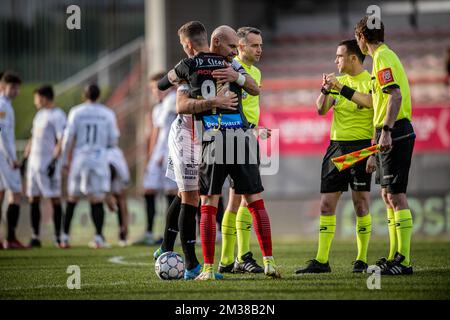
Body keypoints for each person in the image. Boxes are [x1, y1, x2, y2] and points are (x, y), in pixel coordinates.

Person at [173, 25, 280, 280]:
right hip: (238, 136)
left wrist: (235, 79)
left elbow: (178, 99)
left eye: (236, 47)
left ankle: (211, 268)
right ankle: (267, 262)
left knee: (210, 202)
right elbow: (254, 88)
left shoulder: (192, 66)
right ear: (216, 42)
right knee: (253, 200)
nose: (235, 51)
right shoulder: (232, 65)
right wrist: (234, 80)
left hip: (215, 136)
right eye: (232, 47)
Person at [155, 21, 246, 280]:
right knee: (191, 197)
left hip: (206, 136)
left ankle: (165, 246)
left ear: (189, 44)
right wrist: (216, 100)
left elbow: (163, 84)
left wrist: (237, 78)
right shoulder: (196, 69)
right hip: (186, 134)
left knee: (190, 194)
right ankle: (192, 265)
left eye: (184, 46)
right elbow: (181, 105)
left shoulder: (205, 65)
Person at [325, 16, 415, 275]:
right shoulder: (382, 58)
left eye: (357, 38)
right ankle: (394, 256)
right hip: (388, 130)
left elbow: (394, 96)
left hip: (395, 130)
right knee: (388, 196)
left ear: (361, 38)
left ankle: (404, 261)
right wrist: (379, 135)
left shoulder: (383, 58)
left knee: (396, 195)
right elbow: (379, 101)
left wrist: (386, 130)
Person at [295, 39, 374, 274]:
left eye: (339, 56)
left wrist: (340, 88)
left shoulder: (370, 80)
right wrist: (326, 89)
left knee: (360, 204)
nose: (335, 60)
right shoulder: (336, 82)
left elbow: (369, 103)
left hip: (361, 147)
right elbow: (320, 110)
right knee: (326, 205)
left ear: (353, 58)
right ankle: (321, 261)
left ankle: (361, 259)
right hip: (336, 148)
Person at [219, 26, 266, 274]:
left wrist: (257, 129)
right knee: (243, 199)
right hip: (232, 137)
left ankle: (229, 260)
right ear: (240, 46)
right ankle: (240, 257)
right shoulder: (231, 68)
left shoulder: (255, 71)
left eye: (261, 45)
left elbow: (250, 106)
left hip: (248, 135)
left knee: (236, 199)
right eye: (255, 45)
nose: (260, 49)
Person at [61, 84, 119, 249]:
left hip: (80, 158)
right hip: (99, 159)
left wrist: (65, 161)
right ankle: (99, 238)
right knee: (97, 198)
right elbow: (113, 140)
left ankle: (64, 237)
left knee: (72, 198)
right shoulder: (107, 113)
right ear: (99, 95)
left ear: (84, 95)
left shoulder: (76, 112)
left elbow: (68, 138)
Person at [134, 73, 178, 245]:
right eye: (152, 88)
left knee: (173, 193)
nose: (155, 91)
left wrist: (165, 153)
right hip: (158, 155)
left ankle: (172, 233)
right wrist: (151, 156)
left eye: (157, 87)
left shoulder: (174, 99)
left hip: (170, 154)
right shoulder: (159, 107)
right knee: (149, 190)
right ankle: (150, 232)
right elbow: (155, 132)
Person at [24, 85, 67, 248]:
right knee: (33, 198)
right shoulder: (39, 115)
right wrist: (26, 156)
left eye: (36, 98)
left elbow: (61, 139)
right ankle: (35, 236)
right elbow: (33, 137)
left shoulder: (58, 115)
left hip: (48, 164)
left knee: (54, 198)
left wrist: (54, 162)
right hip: (34, 165)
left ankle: (58, 237)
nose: (35, 102)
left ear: (43, 97)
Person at [0, 71, 26, 249]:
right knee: (16, 193)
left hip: (3, 157)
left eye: (17, 88)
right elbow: (2, 136)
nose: (16, 91)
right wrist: (12, 158)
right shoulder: (2, 106)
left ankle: (6, 239)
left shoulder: (6, 105)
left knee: (2, 194)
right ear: (3, 87)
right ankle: (10, 238)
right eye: (12, 87)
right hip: (4, 158)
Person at [106, 145, 130, 247]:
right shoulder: (101, 169)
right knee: (98, 200)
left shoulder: (122, 173)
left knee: (121, 201)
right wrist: (108, 200)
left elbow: (123, 200)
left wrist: (125, 225)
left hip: (116, 170)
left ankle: (123, 234)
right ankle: (98, 235)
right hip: (100, 165)